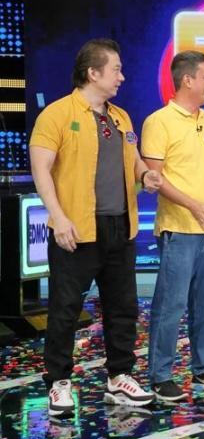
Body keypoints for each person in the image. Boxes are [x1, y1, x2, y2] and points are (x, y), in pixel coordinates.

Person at [29, 38, 161, 417]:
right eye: (116, 69)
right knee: (65, 309)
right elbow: (41, 169)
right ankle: (59, 382)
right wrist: (58, 217)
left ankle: (119, 377)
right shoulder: (56, 114)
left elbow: (133, 160)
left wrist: (145, 175)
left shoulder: (121, 117)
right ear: (93, 73)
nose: (122, 76)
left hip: (120, 226)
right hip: (76, 229)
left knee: (123, 307)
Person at [142, 50, 204, 402]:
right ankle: (160, 375)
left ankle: (203, 368)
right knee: (171, 304)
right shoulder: (159, 122)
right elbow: (155, 177)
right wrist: (192, 204)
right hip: (179, 228)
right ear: (187, 80)